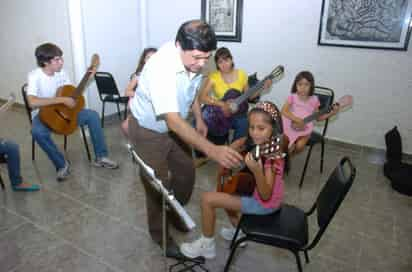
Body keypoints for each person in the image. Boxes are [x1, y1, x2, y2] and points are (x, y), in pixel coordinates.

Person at [128, 20, 243, 252]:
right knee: (158, 186)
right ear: (179, 45)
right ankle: (161, 237)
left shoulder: (193, 62)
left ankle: (173, 212)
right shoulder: (162, 66)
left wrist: (199, 119)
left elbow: (190, 96)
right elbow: (172, 118)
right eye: (197, 57)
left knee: (186, 174)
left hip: (176, 128)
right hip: (148, 131)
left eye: (206, 57)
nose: (202, 64)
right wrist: (213, 149)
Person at [180, 101, 286, 259]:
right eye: (251, 127)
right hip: (257, 192)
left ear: (274, 128)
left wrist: (257, 171)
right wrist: (237, 144)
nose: (255, 133)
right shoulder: (262, 142)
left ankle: (207, 245)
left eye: (261, 128)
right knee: (228, 188)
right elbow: (244, 141)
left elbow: (265, 195)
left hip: (265, 203)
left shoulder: (272, 158)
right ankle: (238, 231)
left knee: (207, 199)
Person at [27, 43, 119, 181]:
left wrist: (89, 78)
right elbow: (32, 102)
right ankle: (62, 165)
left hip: (66, 114)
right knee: (37, 132)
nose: (61, 62)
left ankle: (101, 157)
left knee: (92, 115)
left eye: (61, 58)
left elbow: (72, 95)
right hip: (43, 116)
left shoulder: (62, 73)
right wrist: (61, 99)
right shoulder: (34, 76)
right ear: (45, 62)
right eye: (57, 60)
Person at [194, 47, 272, 166]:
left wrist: (262, 88)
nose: (224, 64)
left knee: (245, 123)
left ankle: (233, 154)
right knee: (200, 121)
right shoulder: (214, 77)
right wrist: (222, 104)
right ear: (217, 64)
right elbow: (202, 97)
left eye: (226, 60)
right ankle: (202, 155)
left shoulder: (241, 74)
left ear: (231, 60)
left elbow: (249, 96)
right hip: (222, 114)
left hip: (238, 113)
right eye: (220, 62)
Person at [281, 71, 338, 155]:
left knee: (299, 146)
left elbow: (318, 118)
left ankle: (289, 158)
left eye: (306, 84)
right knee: (285, 145)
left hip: (305, 129)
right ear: (295, 85)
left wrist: (332, 113)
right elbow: (283, 111)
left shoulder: (314, 100)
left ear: (311, 86)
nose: (303, 87)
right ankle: (285, 159)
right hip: (290, 125)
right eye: (300, 84)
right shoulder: (292, 97)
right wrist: (297, 119)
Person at [121, 47, 157, 137]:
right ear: (144, 60)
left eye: (154, 57)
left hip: (156, 108)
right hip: (141, 106)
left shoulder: (162, 74)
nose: (151, 60)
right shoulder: (139, 75)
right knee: (125, 126)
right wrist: (141, 95)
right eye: (148, 57)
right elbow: (127, 92)